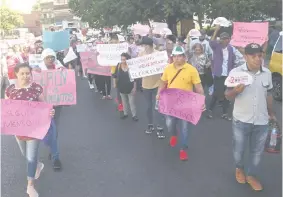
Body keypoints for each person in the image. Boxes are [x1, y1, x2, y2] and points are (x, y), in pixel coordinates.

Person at [225, 43, 276, 191]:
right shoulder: (236, 72)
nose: (257, 59)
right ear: (245, 56)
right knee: (238, 150)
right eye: (253, 56)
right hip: (241, 120)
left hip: (262, 120)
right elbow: (227, 96)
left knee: (257, 152)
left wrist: (272, 113)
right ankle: (239, 168)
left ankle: (251, 175)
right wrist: (235, 91)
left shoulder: (267, 73)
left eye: (259, 55)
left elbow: (269, 94)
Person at [5, 63, 55, 197]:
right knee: (25, 155)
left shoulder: (36, 88)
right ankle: (38, 165)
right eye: (22, 73)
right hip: (18, 130)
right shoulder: (10, 89)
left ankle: (30, 186)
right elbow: (6, 108)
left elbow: (45, 106)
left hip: (34, 129)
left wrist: (50, 112)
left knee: (30, 158)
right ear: (16, 74)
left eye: (28, 73)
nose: (26, 76)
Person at [157, 46, 205, 161]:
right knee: (169, 123)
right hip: (171, 102)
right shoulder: (168, 69)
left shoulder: (191, 69)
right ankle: (173, 134)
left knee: (184, 128)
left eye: (179, 56)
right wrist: (158, 93)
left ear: (184, 57)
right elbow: (163, 82)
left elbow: (198, 87)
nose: (177, 58)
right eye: (175, 56)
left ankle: (183, 149)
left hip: (186, 103)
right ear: (172, 57)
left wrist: (202, 101)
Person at [207, 25, 244, 120]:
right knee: (217, 93)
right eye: (223, 39)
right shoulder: (216, 47)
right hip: (218, 74)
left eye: (227, 39)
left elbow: (239, 58)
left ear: (229, 39)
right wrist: (216, 30)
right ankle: (210, 109)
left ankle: (225, 113)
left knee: (227, 94)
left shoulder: (232, 49)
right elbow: (211, 41)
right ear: (221, 40)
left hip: (228, 74)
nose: (225, 40)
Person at [36, 48, 64, 170]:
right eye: (48, 57)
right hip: (43, 105)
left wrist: (64, 71)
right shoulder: (37, 69)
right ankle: (52, 147)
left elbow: (66, 83)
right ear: (44, 58)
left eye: (52, 57)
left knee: (54, 129)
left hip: (56, 105)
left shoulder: (59, 66)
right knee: (47, 130)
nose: (50, 60)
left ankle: (55, 157)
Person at [140, 36, 165, 138]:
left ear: (149, 45)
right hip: (146, 85)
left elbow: (163, 68)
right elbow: (137, 67)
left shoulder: (157, 54)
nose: (144, 47)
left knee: (158, 107)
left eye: (145, 45)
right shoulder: (141, 54)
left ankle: (160, 127)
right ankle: (150, 125)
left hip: (157, 85)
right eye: (143, 45)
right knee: (148, 107)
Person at [113, 53, 138, 121]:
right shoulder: (118, 66)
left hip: (130, 87)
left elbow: (135, 78)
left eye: (124, 59)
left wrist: (134, 87)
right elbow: (114, 76)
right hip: (121, 87)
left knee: (131, 102)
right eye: (121, 59)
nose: (122, 61)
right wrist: (114, 83)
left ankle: (134, 115)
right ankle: (125, 113)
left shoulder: (131, 67)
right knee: (124, 101)